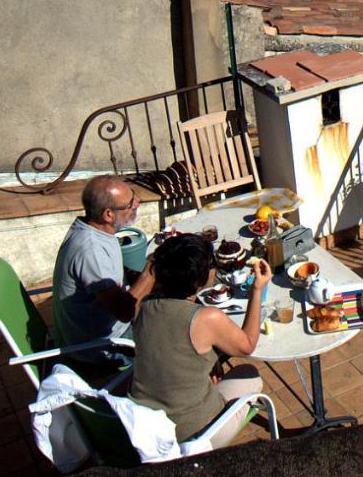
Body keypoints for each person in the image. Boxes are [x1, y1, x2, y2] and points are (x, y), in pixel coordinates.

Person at [129, 234, 269, 443]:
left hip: (142, 425)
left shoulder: (145, 305)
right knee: (250, 374)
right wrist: (256, 289)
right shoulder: (206, 317)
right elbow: (247, 345)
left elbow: (174, 345)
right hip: (193, 435)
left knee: (211, 369)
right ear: (198, 279)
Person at [51, 175, 155, 372]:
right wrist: (151, 270)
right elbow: (125, 312)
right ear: (109, 215)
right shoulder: (91, 250)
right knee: (178, 329)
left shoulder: (93, 230)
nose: (137, 203)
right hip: (101, 348)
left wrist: (135, 276)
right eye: (130, 203)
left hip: (92, 329)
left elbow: (109, 274)